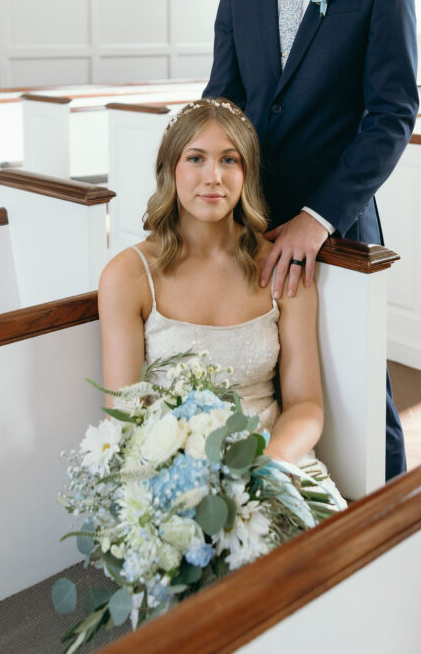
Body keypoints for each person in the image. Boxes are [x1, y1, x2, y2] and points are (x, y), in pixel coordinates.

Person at [203, 0, 419, 479]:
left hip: (337, 223)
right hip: (249, 219)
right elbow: (223, 102)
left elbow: (392, 113)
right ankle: (281, 507)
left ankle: (388, 516)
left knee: (355, 378)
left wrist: (318, 218)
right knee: (262, 370)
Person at [98, 97, 343, 496]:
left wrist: (269, 467)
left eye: (229, 160)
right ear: (169, 169)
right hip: (172, 476)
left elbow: (305, 405)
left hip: (276, 462)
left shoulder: (281, 269)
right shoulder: (128, 275)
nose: (213, 176)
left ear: (247, 173)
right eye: (196, 158)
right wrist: (188, 483)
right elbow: (126, 412)